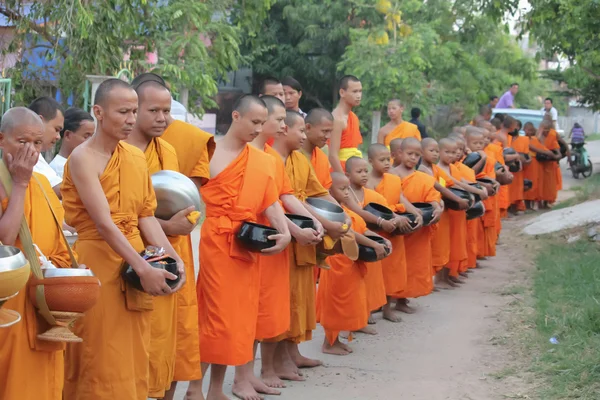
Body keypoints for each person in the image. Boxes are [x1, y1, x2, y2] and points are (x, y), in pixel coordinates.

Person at [62, 79, 185, 400]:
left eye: (134, 111)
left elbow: (145, 216)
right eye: (123, 112)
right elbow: (103, 223)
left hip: (135, 259)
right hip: (99, 264)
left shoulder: (133, 157)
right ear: (98, 112)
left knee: (133, 352)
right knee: (99, 352)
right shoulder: (82, 158)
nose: (131, 119)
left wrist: (171, 256)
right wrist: (141, 267)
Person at [197, 94, 291, 400]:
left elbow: (270, 201)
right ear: (236, 117)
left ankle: (215, 390)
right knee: (214, 317)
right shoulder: (206, 152)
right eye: (254, 122)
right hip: (217, 243)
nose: (258, 128)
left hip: (248, 244)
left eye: (263, 123)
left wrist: (285, 233)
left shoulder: (263, 161)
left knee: (237, 320)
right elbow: (187, 196)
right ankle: (194, 388)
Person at [130, 72, 215, 400]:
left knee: (171, 334)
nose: (162, 118)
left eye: (167, 111)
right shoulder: (116, 152)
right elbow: (116, 217)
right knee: (136, 335)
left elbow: (179, 199)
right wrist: (167, 228)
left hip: (171, 250)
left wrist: (179, 225)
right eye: (153, 111)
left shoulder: (166, 149)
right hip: (133, 253)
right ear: (133, 109)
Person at [236, 96, 322, 400]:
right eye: (279, 120)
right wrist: (296, 229)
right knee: (247, 311)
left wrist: (311, 220)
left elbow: (284, 196)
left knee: (271, 310)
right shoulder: (240, 153)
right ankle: (241, 376)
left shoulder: (271, 156)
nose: (284, 126)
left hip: (276, 239)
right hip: (250, 239)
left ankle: (266, 370)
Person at [0, 107, 73, 400]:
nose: (30, 151)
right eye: (22, 142)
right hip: (8, 305)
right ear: (1, 139)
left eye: (37, 143)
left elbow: (60, 246)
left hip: (41, 303)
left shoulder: (42, 184)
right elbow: (5, 239)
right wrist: (18, 183)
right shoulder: (16, 182)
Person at [272, 110, 347, 381]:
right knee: (285, 300)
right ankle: (278, 360)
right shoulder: (272, 160)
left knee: (301, 298)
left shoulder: (301, 162)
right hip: (286, 233)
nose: (304, 137)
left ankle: (293, 353)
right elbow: (284, 199)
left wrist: (342, 214)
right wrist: (321, 223)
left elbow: (318, 191)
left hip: (305, 234)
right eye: (301, 131)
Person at [316, 172, 386, 355]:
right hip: (337, 263)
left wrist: (379, 239)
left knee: (351, 301)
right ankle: (329, 343)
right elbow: (350, 234)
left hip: (351, 262)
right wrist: (373, 244)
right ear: (328, 191)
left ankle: (341, 336)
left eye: (348, 188)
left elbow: (361, 229)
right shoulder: (330, 212)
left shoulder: (345, 210)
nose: (347, 192)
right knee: (336, 304)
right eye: (342, 189)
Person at [343, 156, 399, 332]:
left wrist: (395, 219)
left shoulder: (370, 194)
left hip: (368, 240)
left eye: (365, 171)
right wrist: (381, 222)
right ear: (348, 174)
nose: (364, 174)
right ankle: (354, 319)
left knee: (371, 280)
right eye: (359, 171)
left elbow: (387, 210)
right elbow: (358, 212)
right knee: (353, 284)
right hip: (351, 242)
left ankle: (365, 314)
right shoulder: (345, 193)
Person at [366, 143, 421, 321]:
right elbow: (371, 208)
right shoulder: (367, 181)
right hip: (375, 231)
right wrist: (394, 217)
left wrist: (416, 213)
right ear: (370, 161)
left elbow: (401, 198)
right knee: (372, 273)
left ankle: (387, 308)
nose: (386, 163)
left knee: (392, 271)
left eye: (388, 159)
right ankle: (367, 309)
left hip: (394, 233)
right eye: (381, 160)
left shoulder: (392, 179)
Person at [389, 138, 442, 310]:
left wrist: (437, 208)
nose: (413, 158)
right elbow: (393, 196)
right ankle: (386, 300)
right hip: (399, 225)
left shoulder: (422, 177)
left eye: (416, 155)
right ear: (400, 153)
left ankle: (402, 299)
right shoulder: (392, 174)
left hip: (419, 228)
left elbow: (432, 195)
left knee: (414, 264)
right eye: (409, 154)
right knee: (394, 265)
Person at [28, 97, 64, 198]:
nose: (58, 137)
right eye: (56, 129)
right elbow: (54, 189)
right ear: (39, 121)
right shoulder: (27, 154)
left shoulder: (37, 155)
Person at [49, 108, 94, 179]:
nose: (91, 141)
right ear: (67, 135)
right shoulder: (57, 170)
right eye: (86, 136)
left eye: (92, 136)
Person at [330, 75, 363, 173]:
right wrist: (344, 180)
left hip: (355, 169)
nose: (358, 95)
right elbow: (332, 156)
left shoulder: (353, 117)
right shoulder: (337, 119)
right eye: (354, 91)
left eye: (360, 91)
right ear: (342, 92)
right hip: (340, 170)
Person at [301, 108, 334, 189]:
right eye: (325, 131)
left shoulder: (322, 157)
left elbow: (325, 190)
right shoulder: (292, 154)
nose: (328, 136)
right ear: (308, 127)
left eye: (330, 132)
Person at [507, 120, 531, 214]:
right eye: (512, 126)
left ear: (519, 128)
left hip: (518, 169)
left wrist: (527, 160)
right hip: (506, 167)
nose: (514, 128)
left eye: (516, 126)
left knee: (516, 189)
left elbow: (526, 155)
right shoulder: (505, 138)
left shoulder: (524, 139)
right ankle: (507, 207)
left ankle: (514, 207)